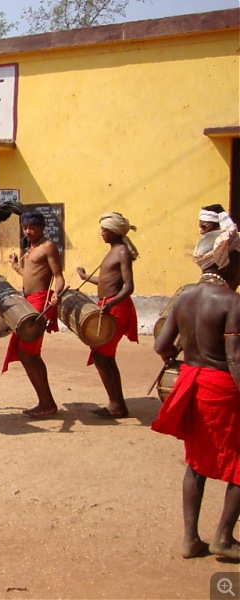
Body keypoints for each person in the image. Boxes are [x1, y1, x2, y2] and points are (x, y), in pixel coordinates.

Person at [152, 215, 240, 560]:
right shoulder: (233, 303)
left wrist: (185, 353)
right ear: (229, 262)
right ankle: (223, 538)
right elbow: (234, 358)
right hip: (223, 388)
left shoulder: (186, 296)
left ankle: (191, 539)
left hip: (191, 384)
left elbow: (161, 346)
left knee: (197, 463)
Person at [76, 212, 139, 418]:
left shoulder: (121, 253)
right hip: (107, 305)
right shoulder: (113, 251)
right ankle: (117, 403)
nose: (101, 233)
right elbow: (106, 281)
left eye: (104, 230)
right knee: (105, 356)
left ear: (113, 231)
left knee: (102, 356)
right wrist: (86, 277)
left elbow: (128, 287)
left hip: (115, 308)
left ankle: (116, 405)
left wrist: (111, 303)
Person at [4, 210, 65, 417]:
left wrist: (56, 295)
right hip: (27, 302)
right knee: (32, 354)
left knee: (27, 353)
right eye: (25, 227)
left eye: (32, 227)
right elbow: (30, 275)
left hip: (39, 303)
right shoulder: (30, 249)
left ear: (42, 227)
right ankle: (46, 402)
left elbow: (58, 277)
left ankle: (46, 403)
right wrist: (15, 267)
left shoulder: (48, 246)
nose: (28, 231)